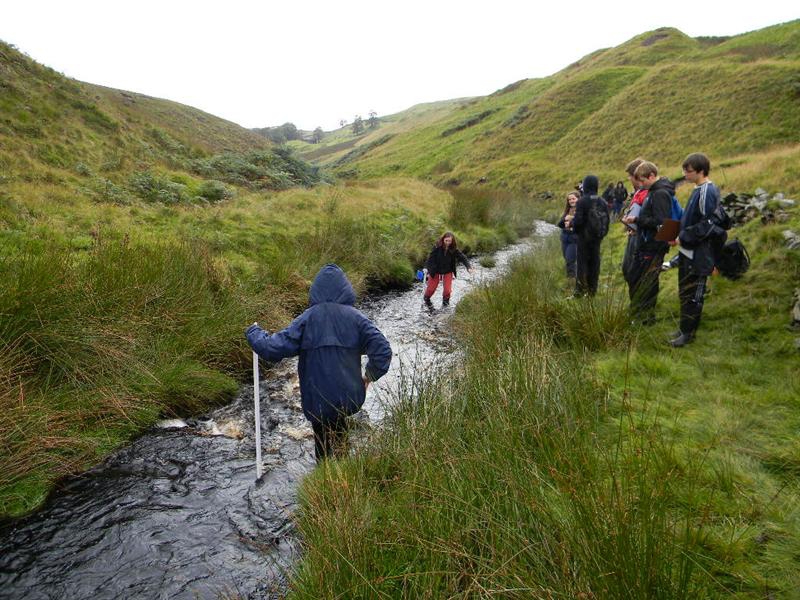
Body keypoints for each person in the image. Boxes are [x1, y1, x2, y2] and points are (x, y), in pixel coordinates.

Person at [246, 264, 392, 461]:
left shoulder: (307, 319)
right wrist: (369, 376)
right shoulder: (358, 319)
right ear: (346, 289)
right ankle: (342, 472)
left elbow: (272, 349)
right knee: (340, 433)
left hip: (317, 398)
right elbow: (383, 350)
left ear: (316, 290)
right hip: (348, 397)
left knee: (322, 441)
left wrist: (254, 333)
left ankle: (324, 473)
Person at [671, 152, 724, 347]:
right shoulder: (698, 189)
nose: (685, 174)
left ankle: (689, 334)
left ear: (701, 171)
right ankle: (683, 328)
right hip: (688, 251)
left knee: (694, 294)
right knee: (685, 291)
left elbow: (707, 224)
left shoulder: (706, 192)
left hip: (700, 253)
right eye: (684, 170)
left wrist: (683, 236)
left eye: (689, 171)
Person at [622, 161, 674, 324]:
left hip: (653, 245)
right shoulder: (654, 191)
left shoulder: (660, 194)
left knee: (648, 282)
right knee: (638, 278)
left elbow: (662, 222)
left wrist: (637, 220)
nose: (641, 184)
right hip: (647, 243)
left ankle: (646, 318)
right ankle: (639, 314)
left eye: (643, 180)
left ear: (651, 176)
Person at [571, 175, 609, 297]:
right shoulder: (602, 201)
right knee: (594, 263)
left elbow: (578, 220)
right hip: (597, 238)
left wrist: (574, 230)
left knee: (582, 264)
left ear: (586, 185)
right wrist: (601, 235)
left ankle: (580, 291)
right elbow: (607, 221)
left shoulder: (582, 201)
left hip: (584, 238)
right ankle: (592, 291)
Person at [423, 232, 472, 307]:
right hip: (435, 271)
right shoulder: (437, 247)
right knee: (430, 290)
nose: (448, 243)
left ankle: (445, 306)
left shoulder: (454, 249)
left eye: (450, 241)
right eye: (446, 241)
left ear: (452, 241)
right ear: (443, 239)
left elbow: (462, 257)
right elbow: (430, 258)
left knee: (447, 291)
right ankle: (426, 300)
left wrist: (468, 267)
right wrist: (426, 267)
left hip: (448, 271)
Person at [557, 191, 579, 289]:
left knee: (570, 260)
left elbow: (583, 223)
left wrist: (572, 219)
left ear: (578, 199)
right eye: (569, 199)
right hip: (565, 238)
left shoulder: (581, 210)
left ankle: (572, 283)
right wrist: (565, 219)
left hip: (574, 239)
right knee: (567, 260)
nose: (571, 201)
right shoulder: (567, 210)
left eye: (573, 199)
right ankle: (572, 281)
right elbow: (559, 224)